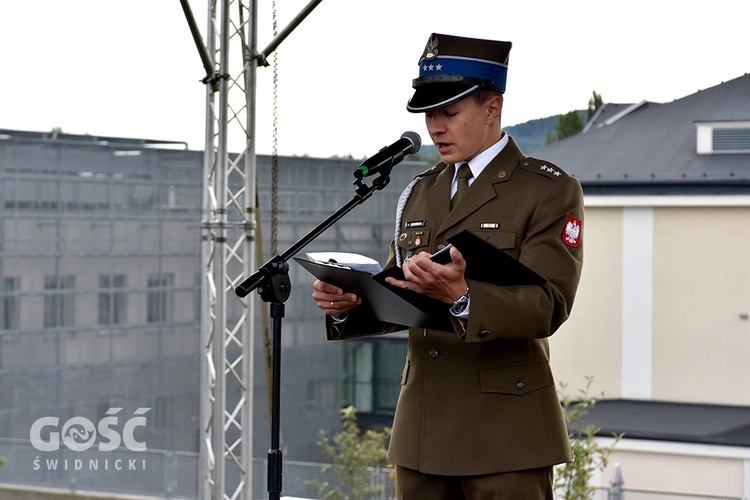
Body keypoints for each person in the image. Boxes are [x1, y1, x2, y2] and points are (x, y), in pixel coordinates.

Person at [312, 32, 584, 499]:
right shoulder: (421, 190)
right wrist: (347, 304)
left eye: (449, 112)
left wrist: (462, 297)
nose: (436, 126)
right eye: (429, 115)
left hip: (506, 435)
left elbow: (550, 305)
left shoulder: (547, 190)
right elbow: (404, 295)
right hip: (423, 432)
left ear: (492, 108)